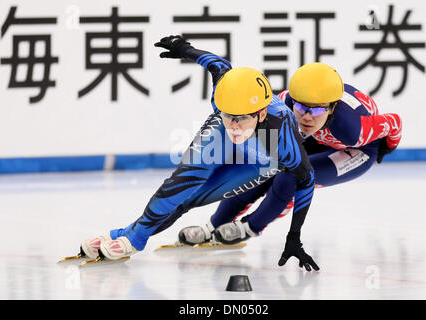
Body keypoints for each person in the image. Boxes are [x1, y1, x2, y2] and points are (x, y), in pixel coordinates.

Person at [77, 35, 319, 270]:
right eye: (228, 116)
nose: (234, 125)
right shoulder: (223, 97)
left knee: (191, 199)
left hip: (261, 158)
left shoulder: (283, 138)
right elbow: (219, 65)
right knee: (181, 184)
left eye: (242, 118)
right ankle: (132, 238)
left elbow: (307, 180)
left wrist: (294, 237)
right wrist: (184, 48)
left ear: (261, 114)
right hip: (220, 136)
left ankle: (127, 235)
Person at [179, 62, 402, 271]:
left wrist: (388, 147)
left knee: (292, 178)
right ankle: (212, 226)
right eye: (301, 107)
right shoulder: (283, 103)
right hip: (317, 139)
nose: (306, 116)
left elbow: (395, 122)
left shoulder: (353, 129)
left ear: (332, 108)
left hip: (356, 150)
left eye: (316, 110)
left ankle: (250, 228)